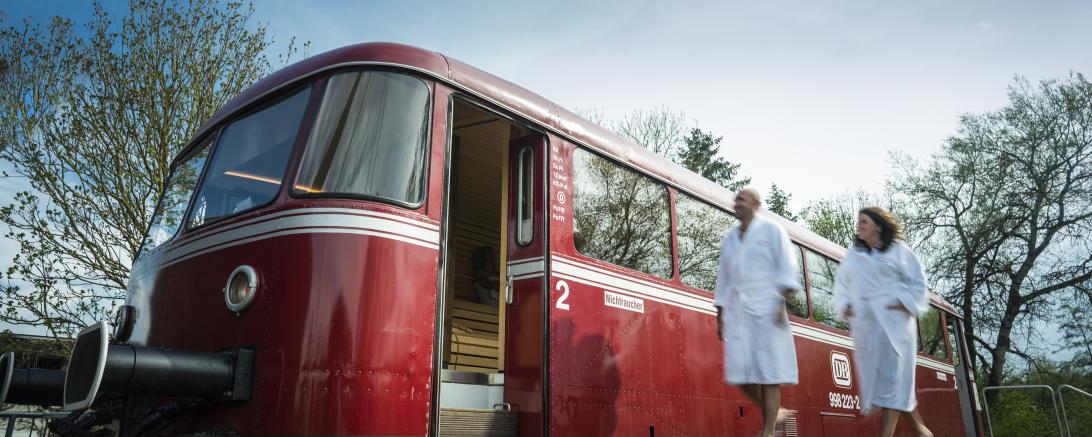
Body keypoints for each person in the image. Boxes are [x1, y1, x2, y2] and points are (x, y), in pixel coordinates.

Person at [832, 207, 934, 437]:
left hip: (894, 327)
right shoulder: (854, 257)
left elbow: (918, 284)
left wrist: (904, 302)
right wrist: (845, 305)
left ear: (878, 225)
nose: (859, 225)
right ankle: (919, 429)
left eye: (864, 221)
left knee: (890, 383)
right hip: (868, 329)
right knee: (883, 386)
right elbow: (841, 286)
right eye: (858, 222)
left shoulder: (899, 251)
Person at [713, 188, 800, 437]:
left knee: (769, 373)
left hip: (769, 308)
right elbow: (724, 278)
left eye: (741, 199)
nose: (736, 202)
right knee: (738, 372)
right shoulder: (730, 237)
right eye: (736, 199)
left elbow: (787, 266)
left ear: (756, 203)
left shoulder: (772, 231)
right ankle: (775, 412)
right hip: (740, 312)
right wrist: (720, 314)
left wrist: (782, 301)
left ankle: (768, 431)